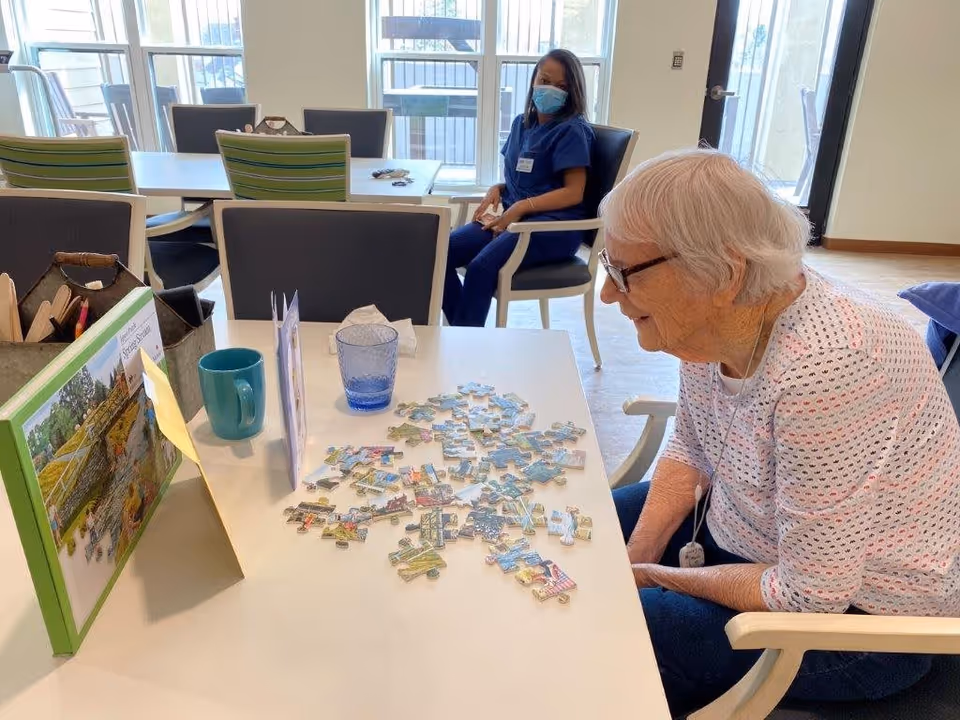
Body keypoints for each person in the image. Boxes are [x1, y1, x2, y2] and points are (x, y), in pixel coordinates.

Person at [598, 148, 960, 716]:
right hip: (754, 532)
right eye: (606, 263)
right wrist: (634, 556)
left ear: (722, 273)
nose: (607, 294)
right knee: (588, 527)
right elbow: (692, 445)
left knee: (618, 628)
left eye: (624, 272)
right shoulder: (718, 316)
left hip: (864, 624)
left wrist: (654, 577)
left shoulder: (830, 365)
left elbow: (809, 595)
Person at [443, 48, 595, 326]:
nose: (551, 89)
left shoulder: (572, 130)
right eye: (545, 80)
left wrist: (522, 207)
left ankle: (464, 351)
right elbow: (527, 177)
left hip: (550, 227)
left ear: (572, 91)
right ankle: (464, 337)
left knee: (480, 269)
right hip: (512, 219)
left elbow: (574, 192)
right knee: (438, 253)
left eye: (561, 86)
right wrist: (498, 189)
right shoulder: (521, 124)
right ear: (534, 80)